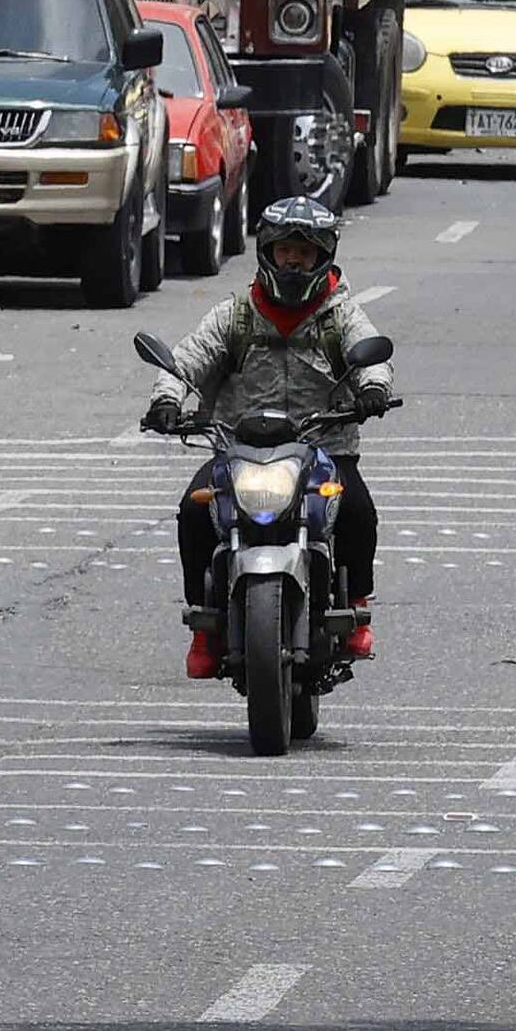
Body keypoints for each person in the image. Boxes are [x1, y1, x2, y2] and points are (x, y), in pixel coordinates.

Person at [151, 193, 378, 674]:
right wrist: (167, 399)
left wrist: (373, 389)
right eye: (284, 250)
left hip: (324, 449)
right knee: (194, 511)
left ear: (323, 258)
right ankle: (204, 626)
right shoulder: (233, 316)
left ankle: (356, 607)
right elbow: (186, 359)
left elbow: (372, 356)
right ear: (268, 252)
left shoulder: (341, 316)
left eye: (305, 252)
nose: (294, 261)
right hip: (239, 450)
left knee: (357, 508)